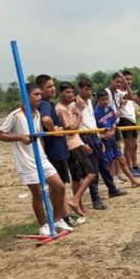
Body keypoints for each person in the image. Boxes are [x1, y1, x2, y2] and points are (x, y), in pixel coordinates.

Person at [0, 83, 73, 236]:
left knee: (59, 187)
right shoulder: (16, 115)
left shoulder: (37, 114)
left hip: (41, 158)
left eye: (40, 94)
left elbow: (39, 137)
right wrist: (20, 137)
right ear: (26, 96)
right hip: (26, 161)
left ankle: (57, 219)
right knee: (37, 193)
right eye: (35, 95)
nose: (39, 97)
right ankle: (43, 225)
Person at [74, 78, 126, 209]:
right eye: (86, 89)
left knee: (104, 166)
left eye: (90, 89)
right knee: (93, 171)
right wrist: (82, 143)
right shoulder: (75, 104)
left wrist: (98, 137)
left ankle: (112, 189)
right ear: (80, 89)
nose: (89, 91)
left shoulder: (90, 102)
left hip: (95, 136)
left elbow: (92, 121)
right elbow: (77, 126)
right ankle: (95, 199)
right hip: (85, 136)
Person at [35, 74, 75, 227]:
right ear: (41, 90)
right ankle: (62, 217)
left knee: (59, 186)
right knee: (58, 187)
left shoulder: (45, 104)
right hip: (55, 151)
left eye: (53, 86)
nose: (52, 89)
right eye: (48, 87)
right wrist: (54, 130)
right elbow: (46, 119)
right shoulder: (45, 104)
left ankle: (63, 216)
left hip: (55, 150)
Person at [55, 81, 96, 218]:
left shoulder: (68, 106)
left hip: (76, 143)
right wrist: (79, 116)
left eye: (72, 92)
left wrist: (82, 143)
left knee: (77, 178)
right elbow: (72, 129)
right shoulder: (61, 109)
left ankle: (79, 206)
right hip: (72, 146)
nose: (71, 95)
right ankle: (75, 200)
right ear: (61, 93)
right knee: (90, 173)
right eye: (67, 92)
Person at [94, 90, 140, 187]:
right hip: (104, 142)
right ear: (98, 100)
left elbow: (113, 121)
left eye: (106, 99)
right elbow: (93, 128)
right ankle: (112, 185)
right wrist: (101, 135)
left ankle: (133, 181)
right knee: (109, 163)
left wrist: (113, 130)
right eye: (102, 99)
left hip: (112, 140)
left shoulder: (109, 109)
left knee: (122, 160)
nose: (105, 101)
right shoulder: (96, 113)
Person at [118, 70, 140, 175]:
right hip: (124, 118)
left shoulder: (128, 90)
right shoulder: (119, 92)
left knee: (134, 145)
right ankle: (129, 167)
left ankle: (135, 166)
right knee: (128, 145)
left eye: (130, 79)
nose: (129, 81)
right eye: (127, 79)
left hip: (132, 118)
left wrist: (136, 112)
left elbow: (131, 102)